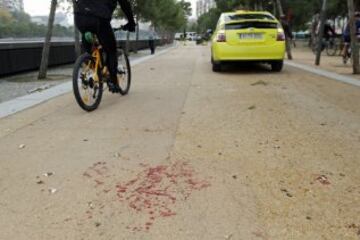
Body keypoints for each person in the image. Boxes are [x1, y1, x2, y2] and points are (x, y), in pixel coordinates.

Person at [74, 0, 136, 93]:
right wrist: (131, 23)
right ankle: (113, 82)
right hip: (99, 18)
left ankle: (91, 63)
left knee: (90, 46)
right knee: (111, 50)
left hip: (79, 16)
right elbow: (125, 5)